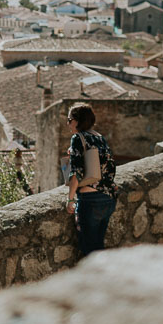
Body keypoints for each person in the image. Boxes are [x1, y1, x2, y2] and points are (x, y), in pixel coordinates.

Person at [64, 103, 117, 256]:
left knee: (89, 251)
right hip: (108, 198)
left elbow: (76, 172)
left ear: (77, 121)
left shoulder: (77, 138)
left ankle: (96, 279)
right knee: (98, 248)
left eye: (69, 120)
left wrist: (70, 199)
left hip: (90, 199)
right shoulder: (100, 138)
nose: (68, 124)